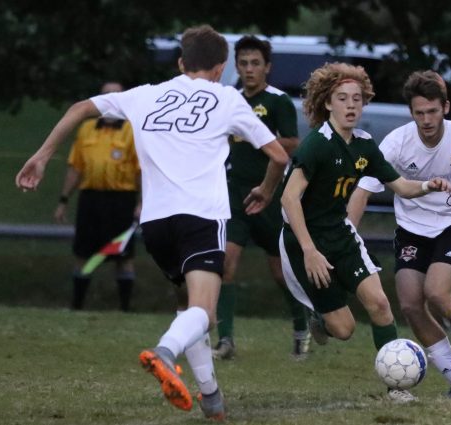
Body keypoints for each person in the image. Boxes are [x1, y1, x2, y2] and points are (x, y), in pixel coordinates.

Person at [16, 25, 289, 421]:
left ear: (181, 63)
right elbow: (279, 156)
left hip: (157, 225)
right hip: (200, 217)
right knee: (205, 312)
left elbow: (80, 108)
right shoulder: (228, 99)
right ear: (222, 66)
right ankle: (164, 351)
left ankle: (211, 398)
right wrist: (265, 191)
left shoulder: (144, 95)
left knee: (187, 307)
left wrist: (42, 155)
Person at [278, 62, 451, 403]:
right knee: (343, 330)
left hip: (340, 236)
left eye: (357, 98)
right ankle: (320, 318)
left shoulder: (365, 145)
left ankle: (396, 388)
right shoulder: (317, 145)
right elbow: (288, 198)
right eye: (342, 98)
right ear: (328, 103)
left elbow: (400, 186)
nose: (351, 105)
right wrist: (310, 250)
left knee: (380, 304)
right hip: (305, 242)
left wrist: (427, 185)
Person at [347, 70, 451, 399]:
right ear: (411, 113)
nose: (427, 120)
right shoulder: (396, 143)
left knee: (436, 293)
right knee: (410, 304)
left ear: (445, 107)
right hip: (411, 230)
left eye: (432, 111)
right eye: (419, 113)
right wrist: (347, 238)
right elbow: (362, 192)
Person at [213, 35, 310, 361]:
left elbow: (293, 143)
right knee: (225, 263)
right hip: (236, 194)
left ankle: (301, 327)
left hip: (269, 193)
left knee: (280, 272)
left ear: (267, 67)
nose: (250, 69)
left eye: (256, 63)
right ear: (235, 67)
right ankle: (225, 341)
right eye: (243, 63)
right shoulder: (231, 100)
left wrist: (260, 141)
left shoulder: (278, 101)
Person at [54, 81, 140, 312]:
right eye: (106, 96)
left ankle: (125, 309)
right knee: (83, 252)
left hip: (121, 200)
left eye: (116, 96)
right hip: (91, 199)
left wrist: (142, 202)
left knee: (123, 255)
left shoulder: (133, 130)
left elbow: (142, 170)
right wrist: (63, 200)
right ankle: (77, 306)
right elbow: (75, 167)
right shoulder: (86, 128)